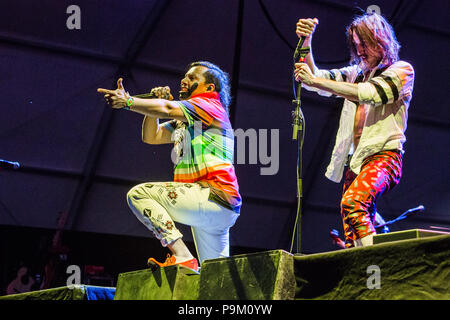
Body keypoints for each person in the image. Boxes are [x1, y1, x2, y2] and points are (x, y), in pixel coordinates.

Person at [97, 61, 241, 271]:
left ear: (209, 88)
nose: (184, 80)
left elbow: (167, 108)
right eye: (185, 76)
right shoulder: (189, 119)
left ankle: (183, 256)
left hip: (211, 195)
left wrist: (128, 101)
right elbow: (151, 136)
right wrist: (155, 102)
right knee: (216, 276)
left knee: (138, 194)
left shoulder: (208, 105)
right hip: (221, 207)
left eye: (193, 78)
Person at [294, 14, 414, 248]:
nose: (360, 51)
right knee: (353, 222)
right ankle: (367, 275)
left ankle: (374, 263)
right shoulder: (356, 74)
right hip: (356, 161)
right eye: (356, 45)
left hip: (384, 156)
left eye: (365, 44)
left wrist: (316, 82)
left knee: (354, 201)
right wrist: (306, 41)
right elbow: (314, 78)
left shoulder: (402, 70)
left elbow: (371, 94)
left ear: (381, 41)